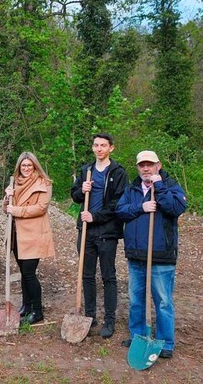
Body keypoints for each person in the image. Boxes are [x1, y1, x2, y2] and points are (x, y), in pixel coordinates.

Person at [116, 150, 187, 359]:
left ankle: (166, 343)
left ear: (159, 165)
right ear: (138, 167)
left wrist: (160, 187)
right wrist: (141, 207)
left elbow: (176, 208)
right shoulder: (132, 189)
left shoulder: (171, 186)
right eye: (142, 165)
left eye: (150, 164)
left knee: (163, 301)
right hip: (136, 255)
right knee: (137, 299)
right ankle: (138, 335)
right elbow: (120, 211)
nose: (145, 169)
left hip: (161, 255)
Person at [70, 133, 128, 338]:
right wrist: (81, 190)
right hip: (85, 230)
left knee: (108, 276)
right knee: (86, 274)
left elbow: (118, 203)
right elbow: (74, 195)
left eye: (103, 145)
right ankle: (90, 315)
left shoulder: (118, 172)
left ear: (111, 148)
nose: (99, 148)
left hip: (106, 231)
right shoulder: (87, 169)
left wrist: (95, 216)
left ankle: (109, 320)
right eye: (96, 145)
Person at [4, 152, 55, 325]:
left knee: (29, 273)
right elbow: (7, 209)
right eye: (23, 165)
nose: (26, 168)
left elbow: (40, 208)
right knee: (24, 273)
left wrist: (15, 210)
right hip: (17, 235)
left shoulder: (44, 184)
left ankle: (38, 311)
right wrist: (7, 196)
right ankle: (26, 306)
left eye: (29, 165)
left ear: (35, 166)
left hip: (33, 235)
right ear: (19, 167)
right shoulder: (15, 183)